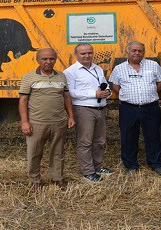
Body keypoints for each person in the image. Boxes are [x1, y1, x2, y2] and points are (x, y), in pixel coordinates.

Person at [18, 48, 75, 191]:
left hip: (59, 122)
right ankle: (35, 180)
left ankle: (58, 179)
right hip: (37, 123)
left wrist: (71, 117)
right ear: (37, 60)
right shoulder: (28, 77)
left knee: (58, 153)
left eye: (51, 59)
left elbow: (66, 97)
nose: (48, 62)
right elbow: (23, 101)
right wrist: (25, 122)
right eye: (44, 59)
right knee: (34, 153)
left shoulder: (61, 76)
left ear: (55, 60)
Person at [108, 41, 161, 175]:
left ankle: (155, 163)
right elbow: (116, 87)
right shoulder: (119, 68)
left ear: (144, 52)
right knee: (128, 137)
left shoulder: (153, 65)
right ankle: (131, 165)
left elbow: (160, 83)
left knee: (153, 136)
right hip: (128, 109)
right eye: (134, 50)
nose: (137, 53)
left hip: (150, 108)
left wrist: (148, 94)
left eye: (140, 51)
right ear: (127, 52)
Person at [64, 43, 114, 183]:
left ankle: (98, 167)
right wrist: (94, 94)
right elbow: (70, 93)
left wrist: (107, 92)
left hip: (100, 109)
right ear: (76, 55)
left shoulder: (97, 68)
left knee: (100, 141)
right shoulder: (70, 71)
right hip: (84, 109)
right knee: (85, 142)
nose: (87, 56)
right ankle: (88, 172)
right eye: (83, 53)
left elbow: (105, 84)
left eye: (89, 53)